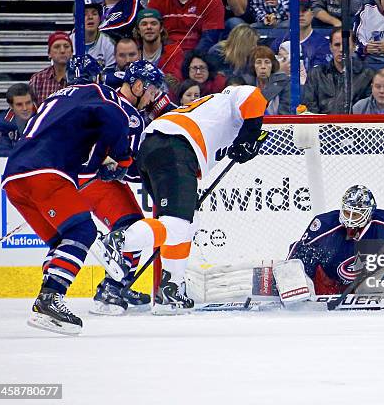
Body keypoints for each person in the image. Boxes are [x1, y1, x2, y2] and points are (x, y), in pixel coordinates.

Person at [98, 85, 268, 315]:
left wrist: (246, 141)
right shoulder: (229, 99)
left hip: (157, 148)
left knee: (186, 225)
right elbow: (254, 96)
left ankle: (171, 291)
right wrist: (249, 134)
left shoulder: (217, 117)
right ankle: (119, 241)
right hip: (175, 146)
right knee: (178, 224)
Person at [1, 64, 133, 335]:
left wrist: (98, 164)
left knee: (63, 242)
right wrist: (123, 157)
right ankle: (50, 298)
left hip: (13, 176)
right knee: (82, 230)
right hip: (46, 172)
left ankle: (46, 302)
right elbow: (114, 114)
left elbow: (80, 159)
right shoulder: (97, 91)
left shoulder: (56, 100)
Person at [78, 58, 168, 315]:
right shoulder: (129, 116)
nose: (153, 97)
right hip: (93, 180)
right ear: (138, 86)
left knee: (135, 228)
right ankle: (110, 288)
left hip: (84, 177)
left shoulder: (108, 98)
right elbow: (126, 167)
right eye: (151, 90)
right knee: (134, 229)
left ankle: (122, 281)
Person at [287, 185, 384, 294]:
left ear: (369, 213)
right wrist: (292, 282)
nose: (350, 219)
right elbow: (299, 253)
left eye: (355, 214)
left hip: (369, 288)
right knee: (295, 267)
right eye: (346, 212)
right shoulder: (325, 224)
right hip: (328, 287)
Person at [302, 27, 374, 114]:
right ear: (330, 47)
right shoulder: (316, 74)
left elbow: (368, 109)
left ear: (354, 47)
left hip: (354, 126)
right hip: (322, 126)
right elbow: (309, 106)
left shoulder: (368, 75)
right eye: (337, 45)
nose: (341, 49)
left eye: (346, 45)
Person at [269, 0, 330, 70]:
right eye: (296, 10)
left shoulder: (323, 44)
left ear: (312, 14)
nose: (300, 14)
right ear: (289, 15)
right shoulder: (278, 42)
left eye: (304, 10)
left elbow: (318, 76)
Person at [147, 0, 224, 55]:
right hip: (165, 52)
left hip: (198, 54)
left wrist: (192, 58)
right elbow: (150, 31)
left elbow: (209, 38)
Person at [70, 0, 116, 70]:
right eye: (84, 14)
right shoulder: (67, 43)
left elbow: (109, 74)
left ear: (100, 18)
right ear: (75, 20)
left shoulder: (108, 44)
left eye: (94, 14)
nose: (90, 17)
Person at [29, 31, 72, 105]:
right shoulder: (38, 79)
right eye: (57, 47)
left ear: (72, 53)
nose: (62, 51)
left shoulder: (80, 77)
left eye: (66, 46)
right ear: (49, 54)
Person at [245, 46, 291, 115]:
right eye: (258, 62)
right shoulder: (246, 84)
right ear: (253, 65)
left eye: (267, 62)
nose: (263, 66)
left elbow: (285, 113)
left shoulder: (284, 83)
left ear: (272, 65)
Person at [0, 84, 36, 154]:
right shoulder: (4, 121)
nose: (25, 108)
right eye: (19, 104)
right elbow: (1, 150)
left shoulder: (44, 116)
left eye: (28, 103)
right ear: (11, 106)